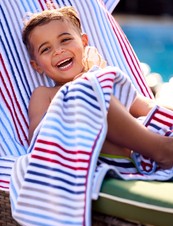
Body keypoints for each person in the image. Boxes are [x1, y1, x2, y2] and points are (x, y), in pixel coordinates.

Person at [22, 7, 173, 170]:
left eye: (65, 40)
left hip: (129, 154)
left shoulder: (107, 77)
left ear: (84, 42)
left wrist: (95, 78)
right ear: (37, 66)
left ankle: (160, 146)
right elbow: (39, 140)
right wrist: (84, 84)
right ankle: (161, 149)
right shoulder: (44, 94)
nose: (58, 51)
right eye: (46, 49)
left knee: (98, 88)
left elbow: (148, 108)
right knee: (88, 90)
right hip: (82, 155)